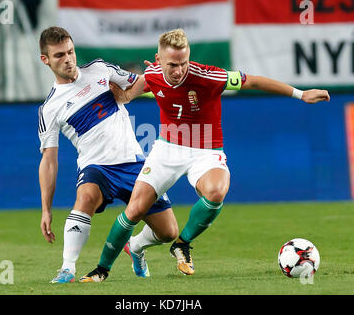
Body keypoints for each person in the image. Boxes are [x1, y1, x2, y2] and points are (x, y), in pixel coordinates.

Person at [80, 28, 330, 282]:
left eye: (183, 63)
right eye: (172, 65)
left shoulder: (210, 76)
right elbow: (126, 95)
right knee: (134, 211)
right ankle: (103, 269)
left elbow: (252, 81)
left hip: (206, 150)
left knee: (216, 191)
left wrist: (300, 94)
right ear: (158, 60)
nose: (179, 71)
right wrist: (105, 89)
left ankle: (182, 244)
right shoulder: (153, 75)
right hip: (166, 149)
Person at [37, 26, 179, 283]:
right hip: (97, 167)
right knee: (86, 195)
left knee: (169, 232)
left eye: (70, 52)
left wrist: (157, 73)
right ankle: (67, 268)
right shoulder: (50, 108)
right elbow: (48, 160)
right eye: (59, 55)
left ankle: (135, 246)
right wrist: (46, 209)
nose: (68, 58)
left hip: (134, 162)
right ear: (45, 59)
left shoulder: (101, 70)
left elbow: (141, 84)